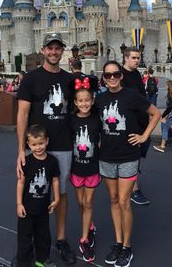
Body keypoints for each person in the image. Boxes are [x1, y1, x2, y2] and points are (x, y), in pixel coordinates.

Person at [17, 33, 76, 264]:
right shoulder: (31, 79)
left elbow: (81, 108)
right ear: (43, 50)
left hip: (62, 146)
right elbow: (22, 114)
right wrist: (21, 149)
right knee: (32, 192)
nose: (54, 52)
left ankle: (60, 240)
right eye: (50, 48)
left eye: (57, 48)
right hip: (35, 147)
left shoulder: (70, 79)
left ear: (62, 51)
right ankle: (29, 245)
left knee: (60, 192)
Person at [95, 60, 160, 267]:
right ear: (103, 78)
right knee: (114, 200)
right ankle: (118, 242)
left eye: (115, 74)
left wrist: (144, 136)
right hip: (106, 157)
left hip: (128, 156)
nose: (112, 78)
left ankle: (127, 247)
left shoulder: (132, 96)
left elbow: (156, 114)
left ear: (121, 75)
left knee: (124, 202)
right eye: (108, 75)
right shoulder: (100, 99)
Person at [15, 124, 60, 267]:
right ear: (28, 145)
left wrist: (57, 198)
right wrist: (19, 204)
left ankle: (42, 258)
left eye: (41, 143)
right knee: (24, 236)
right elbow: (21, 183)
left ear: (46, 141)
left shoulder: (52, 161)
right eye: (34, 145)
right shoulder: (26, 162)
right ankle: (23, 260)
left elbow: (55, 180)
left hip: (43, 208)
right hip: (27, 209)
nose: (38, 147)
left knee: (43, 236)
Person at [69, 76, 101, 263]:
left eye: (87, 100)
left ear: (93, 100)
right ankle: (90, 225)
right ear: (75, 102)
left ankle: (84, 239)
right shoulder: (71, 120)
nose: (84, 104)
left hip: (92, 167)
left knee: (88, 203)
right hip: (76, 168)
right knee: (81, 203)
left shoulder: (97, 119)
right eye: (80, 101)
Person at [121, 46, 151, 205]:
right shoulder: (120, 75)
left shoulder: (136, 75)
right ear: (126, 57)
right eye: (134, 58)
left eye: (138, 58)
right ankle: (134, 190)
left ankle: (130, 183)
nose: (137, 60)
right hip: (128, 124)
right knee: (132, 156)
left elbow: (142, 97)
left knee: (137, 156)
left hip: (141, 123)